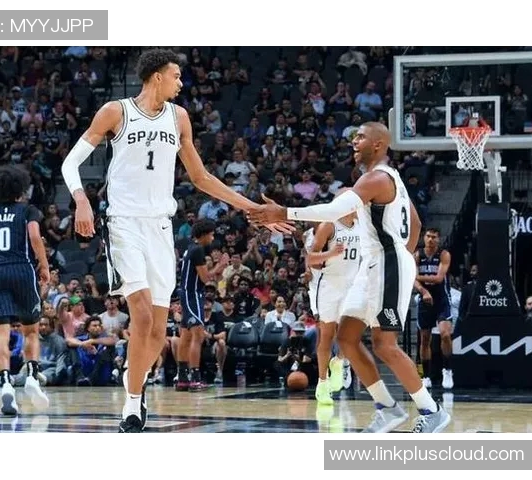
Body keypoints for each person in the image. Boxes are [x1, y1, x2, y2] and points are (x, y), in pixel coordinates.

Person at [60, 48, 292, 433]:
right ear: (157, 77)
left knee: (157, 331)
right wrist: (81, 199)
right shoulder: (116, 112)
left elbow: (200, 178)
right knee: (141, 315)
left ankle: (133, 377)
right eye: (176, 76)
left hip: (161, 228)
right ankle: (132, 404)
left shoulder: (179, 117)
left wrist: (251, 207)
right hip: (124, 224)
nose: (181, 83)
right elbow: (71, 162)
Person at [248, 122, 451, 433]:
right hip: (374, 265)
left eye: (360, 136)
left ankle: (431, 410)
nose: (353, 141)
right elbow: (417, 222)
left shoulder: (378, 178)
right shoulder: (390, 179)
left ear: (379, 144)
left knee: (384, 344)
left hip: (386, 264)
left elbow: (334, 211)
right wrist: (402, 254)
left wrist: (284, 212)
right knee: (345, 338)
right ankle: (387, 409)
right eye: (353, 135)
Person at [0, 165, 50, 416]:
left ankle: (6, 382)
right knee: (31, 331)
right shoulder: (28, 210)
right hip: (23, 270)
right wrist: (44, 266)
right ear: (20, 187)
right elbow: (35, 237)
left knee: (1, 333)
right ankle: (31, 376)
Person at [305, 201, 360, 405]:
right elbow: (310, 259)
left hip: (353, 285)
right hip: (329, 285)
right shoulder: (329, 225)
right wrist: (330, 254)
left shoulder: (364, 224)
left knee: (349, 333)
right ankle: (322, 383)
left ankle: (339, 361)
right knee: (326, 336)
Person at [176, 219, 222, 392]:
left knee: (186, 336)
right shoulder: (198, 250)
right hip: (193, 294)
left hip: (187, 293)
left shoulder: (190, 248)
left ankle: (182, 378)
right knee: (198, 335)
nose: (212, 238)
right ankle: (195, 378)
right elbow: (205, 278)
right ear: (203, 235)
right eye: (211, 234)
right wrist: (220, 266)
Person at [414, 227, 454, 389]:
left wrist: (417, 276)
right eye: (428, 236)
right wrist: (423, 291)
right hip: (425, 300)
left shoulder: (443, 255)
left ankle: (448, 370)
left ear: (438, 240)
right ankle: (426, 376)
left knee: (445, 335)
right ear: (424, 238)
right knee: (425, 340)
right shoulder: (417, 255)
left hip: (441, 299)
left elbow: (438, 278)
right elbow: (413, 281)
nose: (430, 239)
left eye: (434, 237)